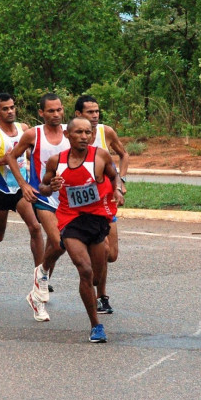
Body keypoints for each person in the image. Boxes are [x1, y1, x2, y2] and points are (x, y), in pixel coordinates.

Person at [38, 117, 124, 342]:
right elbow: (43, 187)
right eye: (79, 132)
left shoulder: (100, 156)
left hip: (97, 219)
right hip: (70, 219)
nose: (84, 136)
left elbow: (114, 177)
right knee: (84, 270)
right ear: (68, 135)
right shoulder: (56, 161)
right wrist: (50, 187)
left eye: (88, 132)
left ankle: (95, 292)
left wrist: (118, 191)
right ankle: (96, 325)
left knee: (95, 275)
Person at [6, 93, 69, 322]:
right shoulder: (34, 134)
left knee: (61, 246)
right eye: (50, 111)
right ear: (41, 112)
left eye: (59, 110)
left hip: (67, 198)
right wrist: (23, 185)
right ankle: (41, 289)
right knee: (59, 242)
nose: (55, 114)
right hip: (43, 196)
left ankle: (40, 279)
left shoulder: (70, 132)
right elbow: (11, 157)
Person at [0, 93, 44, 281]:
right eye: (5, 108)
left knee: (35, 228)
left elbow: (30, 154)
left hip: (22, 188)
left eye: (12, 107)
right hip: (1, 189)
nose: (10, 111)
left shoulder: (24, 129)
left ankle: (41, 276)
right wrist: (0, 161)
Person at [74, 94, 129, 315]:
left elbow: (124, 154)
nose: (95, 116)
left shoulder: (106, 133)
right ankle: (101, 296)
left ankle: (93, 276)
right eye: (90, 112)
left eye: (97, 112)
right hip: (82, 206)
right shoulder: (71, 136)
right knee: (102, 249)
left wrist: (120, 182)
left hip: (106, 201)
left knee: (111, 254)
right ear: (79, 114)